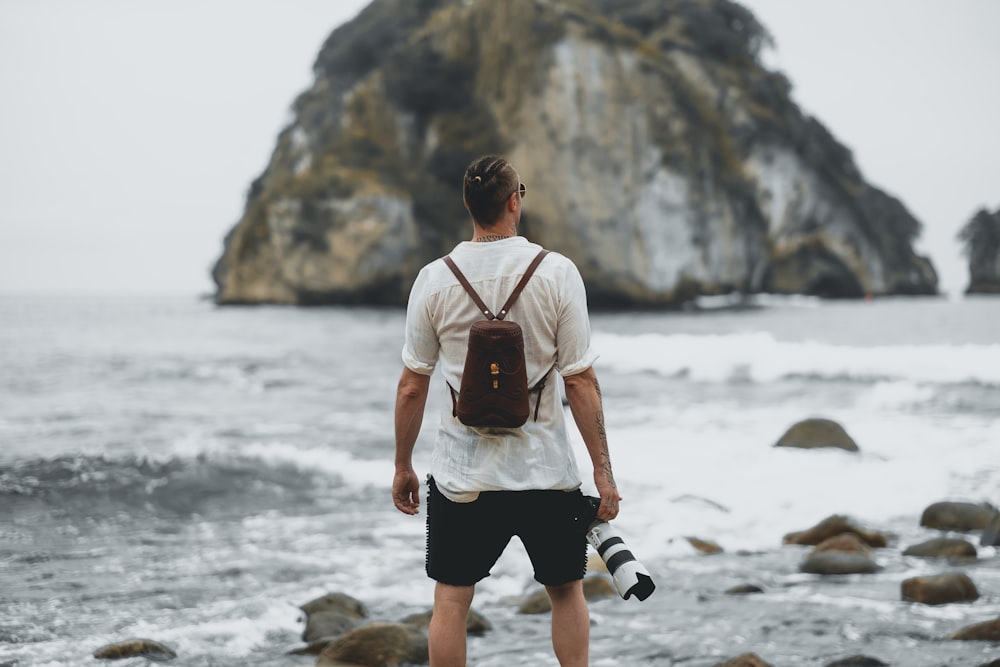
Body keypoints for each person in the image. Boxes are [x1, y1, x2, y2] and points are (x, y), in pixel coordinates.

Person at [392, 155, 621, 667]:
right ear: (515, 200)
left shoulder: (434, 278)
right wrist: (603, 472)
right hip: (547, 474)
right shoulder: (557, 272)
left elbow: (412, 387)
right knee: (566, 593)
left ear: (468, 204)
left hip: (462, 476)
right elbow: (580, 380)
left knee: (451, 600)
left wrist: (402, 465)